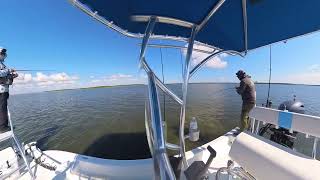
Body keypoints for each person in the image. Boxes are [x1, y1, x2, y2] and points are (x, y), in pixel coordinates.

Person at [0, 48, 18, 133]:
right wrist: (9, 70)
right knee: (2, 108)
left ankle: (3, 126)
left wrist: (12, 75)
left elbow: (4, 76)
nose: (4, 55)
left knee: (2, 107)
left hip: (4, 90)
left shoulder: (2, 64)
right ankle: (3, 127)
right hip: (1, 90)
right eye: (2, 53)